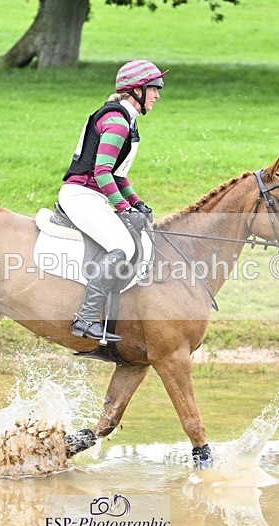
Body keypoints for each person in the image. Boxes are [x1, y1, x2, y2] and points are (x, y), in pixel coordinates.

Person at [58, 59, 166, 343]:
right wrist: (124, 209)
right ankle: (86, 317)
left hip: (93, 194)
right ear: (136, 91)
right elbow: (101, 172)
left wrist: (137, 203)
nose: (157, 95)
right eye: (154, 89)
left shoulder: (127, 124)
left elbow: (118, 176)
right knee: (123, 246)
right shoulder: (117, 123)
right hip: (81, 194)